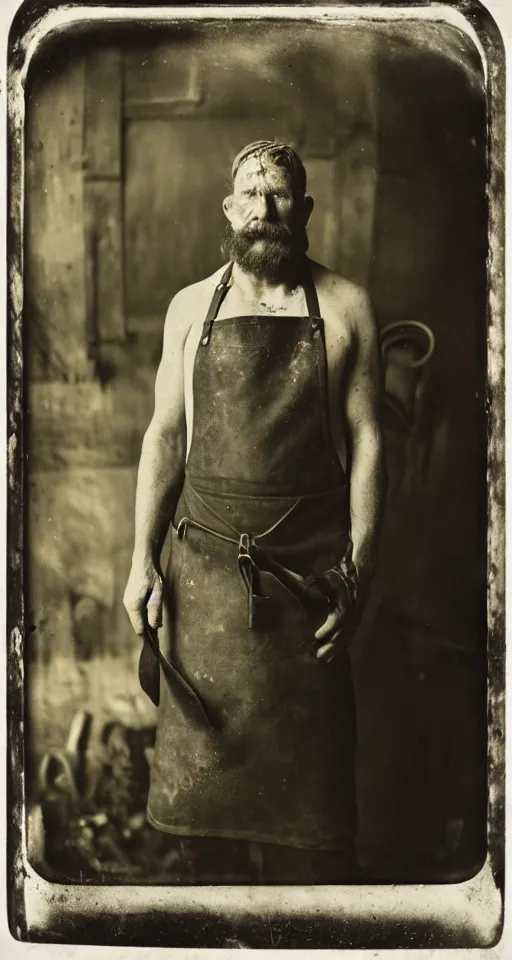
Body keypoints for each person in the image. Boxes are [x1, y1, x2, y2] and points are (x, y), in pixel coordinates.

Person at [123, 140, 385, 884]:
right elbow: (166, 435)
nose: (264, 208)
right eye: (251, 193)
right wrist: (141, 559)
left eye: (279, 195)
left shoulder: (345, 307)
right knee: (201, 844)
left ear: (302, 210)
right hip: (203, 594)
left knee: (318, 847)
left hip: (308, 593)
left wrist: (359, 568)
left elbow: (369, 440)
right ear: (230, 208)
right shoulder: (186, 309)